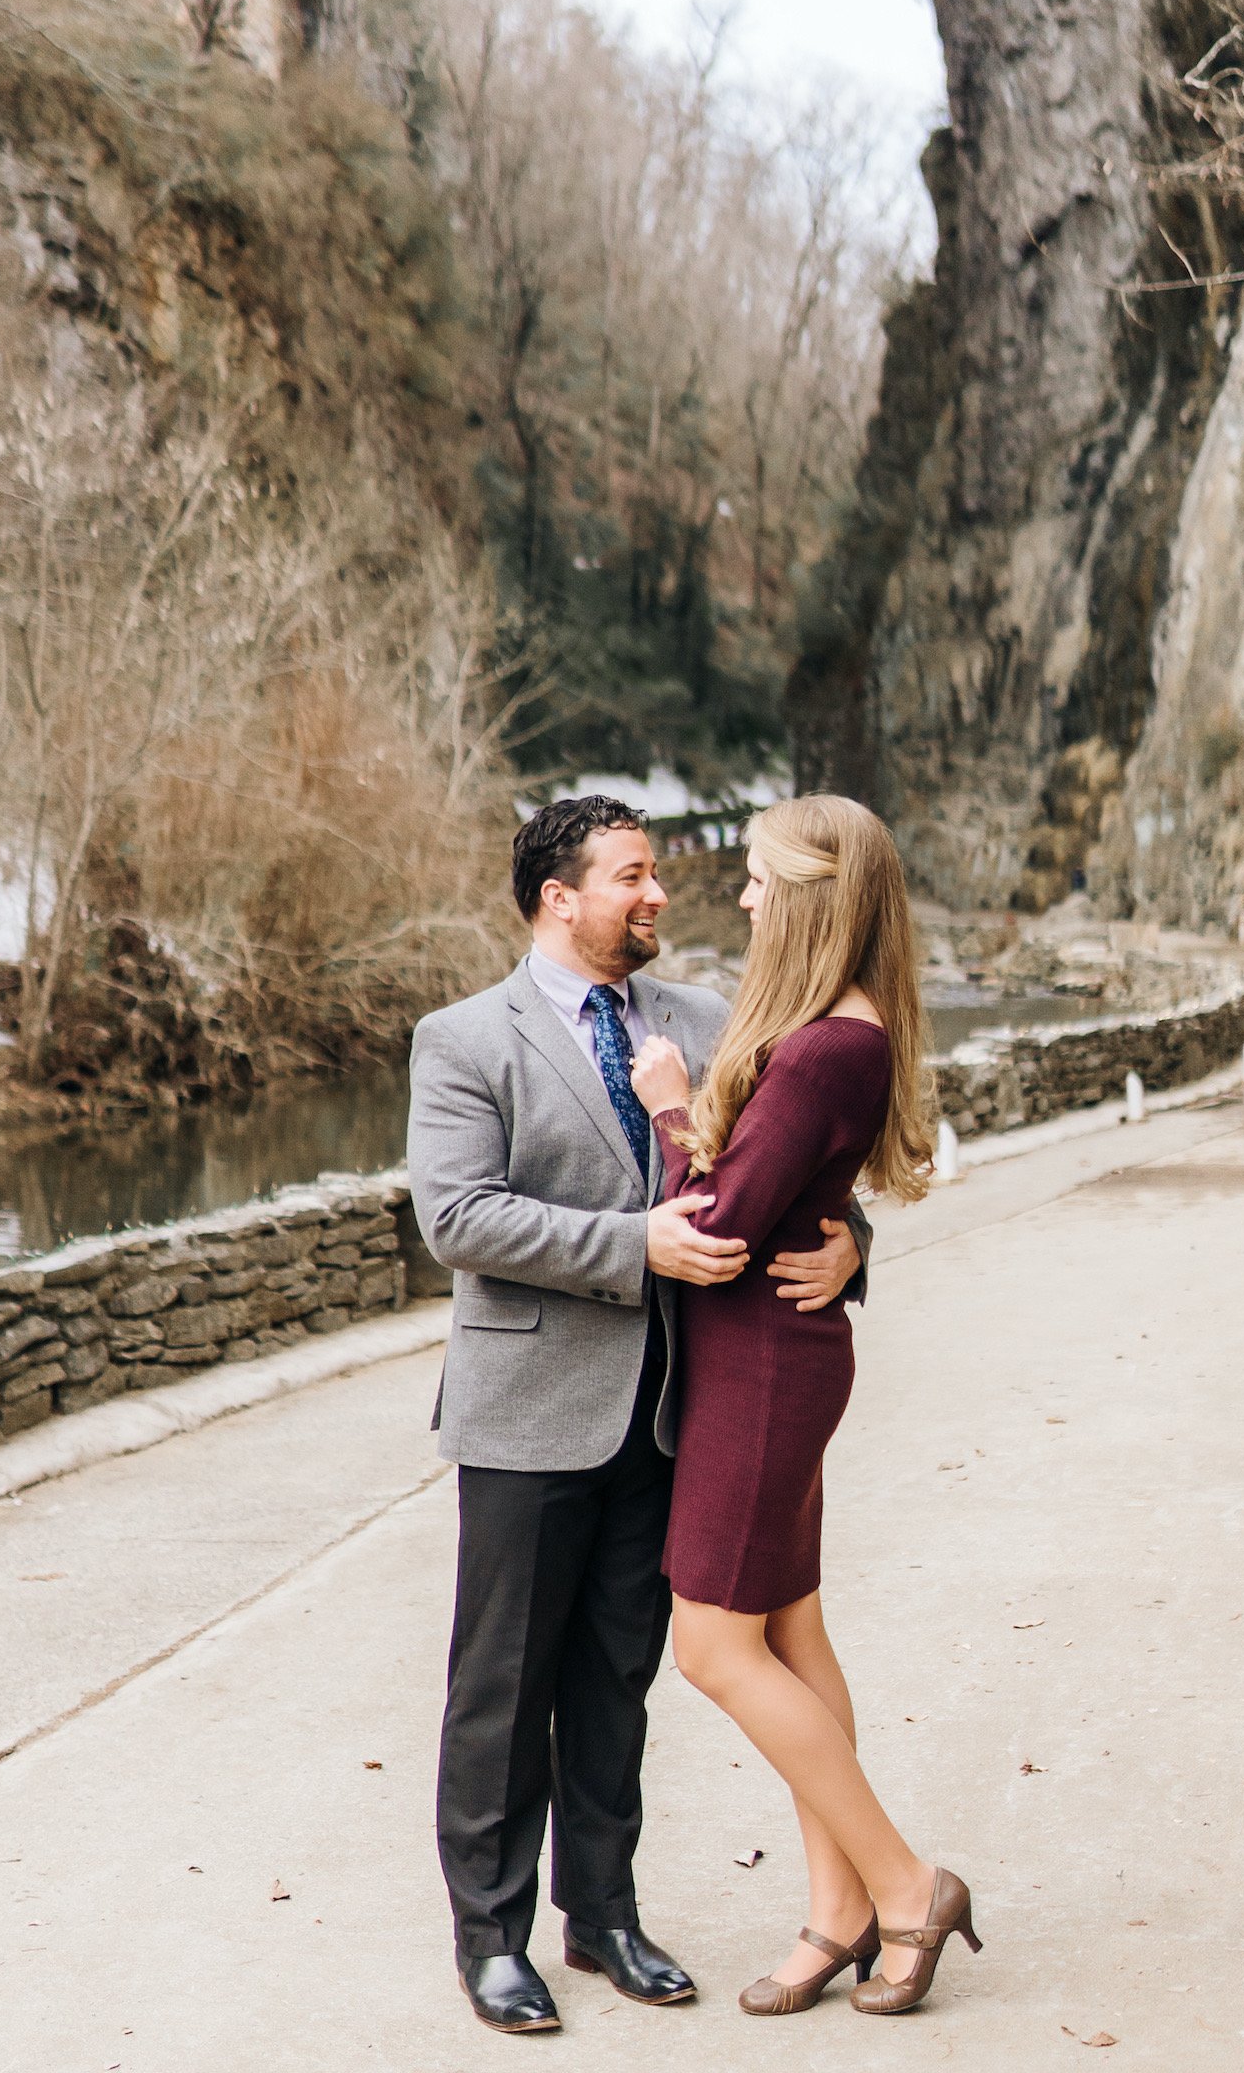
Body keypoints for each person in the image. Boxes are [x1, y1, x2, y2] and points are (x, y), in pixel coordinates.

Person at [406, 794, 871, 2036]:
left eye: (653, 870)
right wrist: (635, 1243)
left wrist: (849, 1246)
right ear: (561, 898)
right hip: (526, 1410)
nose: (658, 893)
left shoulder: (709, 1024)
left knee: (619, 1673)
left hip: (674, 1413)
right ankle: (492, 1940)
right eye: (632, 875)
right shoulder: (463, 1041)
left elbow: (791, 1165)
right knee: (502, 1686)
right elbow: (456, 1218)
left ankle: (602, 1917)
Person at [628, 793, 981, 2020]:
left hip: (762, 1368)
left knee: (713, 1648)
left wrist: (672, 1108)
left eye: (764, 879)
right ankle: (837, 1914)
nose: (743, 895)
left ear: (816, 896)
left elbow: (717, 1230)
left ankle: (902, 1882)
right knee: (791, 1636)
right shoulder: (835, 1031)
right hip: (778, 1353)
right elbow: (784, 1201)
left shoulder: (831, 1043)